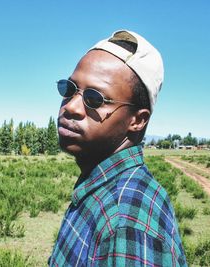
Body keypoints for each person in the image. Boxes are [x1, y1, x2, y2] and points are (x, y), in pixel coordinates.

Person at [49, 30, 186, 266]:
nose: (71, 107)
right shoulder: (100, 184)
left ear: (137, 120)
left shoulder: (127, 222)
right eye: (69, 89)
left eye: (95, 99)